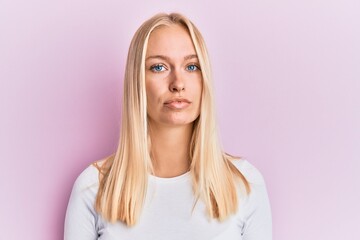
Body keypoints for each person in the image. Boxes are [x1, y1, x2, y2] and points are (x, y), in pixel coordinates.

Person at [64, 12, 272, 240]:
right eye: (159, 67)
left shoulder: (246, 184)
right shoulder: (93, 188)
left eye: (192, 67)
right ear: (137, 82)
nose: (178, 84)